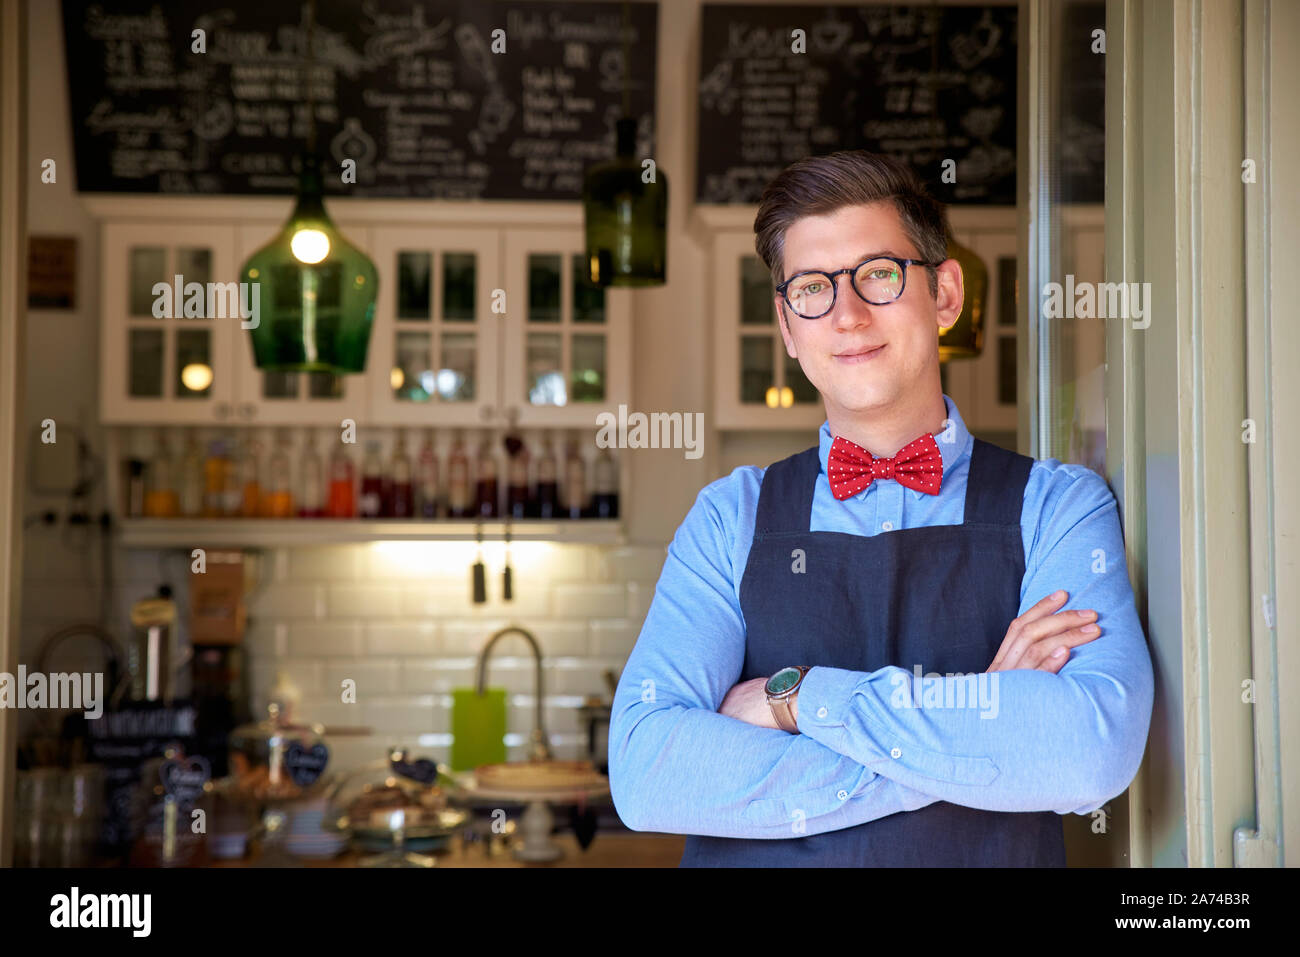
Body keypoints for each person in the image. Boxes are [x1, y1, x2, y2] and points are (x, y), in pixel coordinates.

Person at [607, 150, 1154, 866]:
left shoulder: (1059, 507)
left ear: (945, 293)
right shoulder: (726, 519)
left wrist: (798, 701)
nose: (848, 314)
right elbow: (648, 773)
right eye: (811, 288)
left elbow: (1088, 751)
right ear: (786, 325)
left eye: (878, 274)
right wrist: (981, 717)